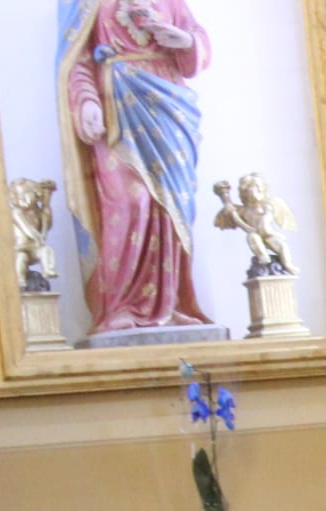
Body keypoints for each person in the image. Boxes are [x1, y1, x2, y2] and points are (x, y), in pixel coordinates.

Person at [58, 0, 216, 333]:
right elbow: (77, 60)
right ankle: (119, 305)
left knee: (171, 209)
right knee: (130, 203)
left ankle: (170, 304)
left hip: (169, 108)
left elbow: (197, 44)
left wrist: (185, 41)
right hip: (117, 109)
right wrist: (86, 101)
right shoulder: (89, 4)